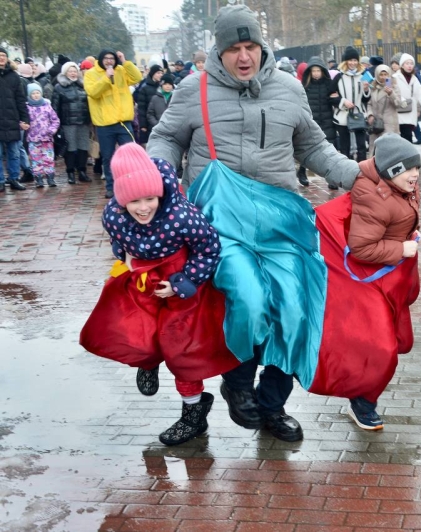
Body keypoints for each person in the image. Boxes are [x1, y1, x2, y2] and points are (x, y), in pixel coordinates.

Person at [147, 4, 360, 442]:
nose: (244, 57)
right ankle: (238, 384)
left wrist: (360, 176)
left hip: (281, 218)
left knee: (297, 310)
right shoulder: (194, 89)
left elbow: (314, 147)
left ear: (263, 48)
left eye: (251, 47)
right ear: (219, 51)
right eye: (234, 49)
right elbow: (166, 137)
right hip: (219, 222)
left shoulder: (289, 88)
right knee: (248, 297)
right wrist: (158, 177)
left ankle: (272, 405)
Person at [80, 144, 239, 446]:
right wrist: (124, 255)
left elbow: (208, 248)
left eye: (150, 198)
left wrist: (184, 283)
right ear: (121, 199)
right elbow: (118, 239)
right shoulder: (113, 215)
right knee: (134, 330)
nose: (143, 207)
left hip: (180, 284)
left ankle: (193, 415)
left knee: (183, 352)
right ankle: (148, 361)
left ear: (160, 194)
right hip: (143, 281)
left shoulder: (182, 216)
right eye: (134, 200)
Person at [311, 134, 421, 430]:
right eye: (409, 170)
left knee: (394, 341)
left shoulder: (401, 187)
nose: (415, 175)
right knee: (381, 347)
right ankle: (362, 401)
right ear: (391, 171)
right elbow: (361, 248)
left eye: (417, 169)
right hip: (366, 280)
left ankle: (363, 397)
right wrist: (402, 249)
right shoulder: (373, 195)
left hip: (390, 277)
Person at [84, 49, 142, 198]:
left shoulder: (121, 70)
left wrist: (125, 61)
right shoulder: (91, 74)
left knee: (130, 155)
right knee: (108, 157)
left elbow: (137, 77)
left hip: (123, 122)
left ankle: (131, 184)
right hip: (104, 124)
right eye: (106, 58)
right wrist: (105, 78)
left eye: (112, 58)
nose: (109, 61)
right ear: (100, 59)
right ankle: (111, 187)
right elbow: (92, 92)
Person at [298, 56, 340, 187]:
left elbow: (335, 100)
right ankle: (302, 171)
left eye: (318, 70)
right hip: (312, 121)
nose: (316, 73)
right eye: (313, 71)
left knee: (331, 149)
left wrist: (337, 98)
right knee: (308, 148)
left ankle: (332, 177)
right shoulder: (305, 86)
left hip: (327, 121)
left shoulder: (328, 85)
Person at [52, 61, 93, 184]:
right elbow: (55, 107)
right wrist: (56, 124)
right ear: (65, 73)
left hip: (83, 122)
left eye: (75, 71)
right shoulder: (59, 87)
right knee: (70, 148)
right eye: (70, 71)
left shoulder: (83, 85)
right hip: (67, 122)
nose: (73, 73)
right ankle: (70, 172)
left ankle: (82, 171)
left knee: (83, 147)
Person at [332, 46, 371, 167]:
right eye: (350, 60)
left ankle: (362, 172)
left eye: (355, 60)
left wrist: (366, 89)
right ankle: (346, 171)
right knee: (345, 147)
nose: (352, 63)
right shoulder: (339, 77)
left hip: (359, 115)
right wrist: (343, 101)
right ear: (345, 61)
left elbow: (366, 99)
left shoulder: (363, 75)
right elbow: (331, 96)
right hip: (342, 116)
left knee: (361, 146)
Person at [0, 47, 30, 192]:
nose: (1, 58)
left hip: (12, 120)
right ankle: (0, 181)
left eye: (4, 55)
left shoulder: (14, 76)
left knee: (14, 153)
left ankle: (14, 178)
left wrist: (25, 119)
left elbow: (20, 100)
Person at [25, 83, 61, 188]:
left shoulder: (47, 106)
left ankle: (50, 177)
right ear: (29, 95)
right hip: (33, 138)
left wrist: (52, 130)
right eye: (33, 93)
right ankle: (38, 178)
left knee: (48, 158)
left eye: (37, 93)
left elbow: (55, 120)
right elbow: (23, 120)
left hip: (47, 138)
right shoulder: (27, 107)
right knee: (36, 159)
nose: (36, 95)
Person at [393, 53, 421, 144]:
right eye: (407, 63)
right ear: (402, 65)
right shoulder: (393, 77)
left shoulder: (414, 79)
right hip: (398, 114)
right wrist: (401, 99)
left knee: (408, 140)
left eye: (411, 63)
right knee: (401, 141)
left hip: (410, 114)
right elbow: (388, 92)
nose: (409, 66)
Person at [366, 65, 403, 155]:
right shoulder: (374, 87)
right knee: (375, 151)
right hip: (375, 125)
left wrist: (391, 93)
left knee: (387, 152)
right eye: (381, 75)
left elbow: (398, 104)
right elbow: (370, 103)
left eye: (385, 74)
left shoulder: (393, 86)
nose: (383, 77)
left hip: (389, 125)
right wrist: (370, 115)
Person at [136, 65, 163, 145]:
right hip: (148, 124)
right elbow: (141, 108)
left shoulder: (163, 88)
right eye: (158, 73)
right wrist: (143, 125)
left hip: (160, 121)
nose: (160, 75)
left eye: (161, 73)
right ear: (153, 74)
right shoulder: (145, 88)